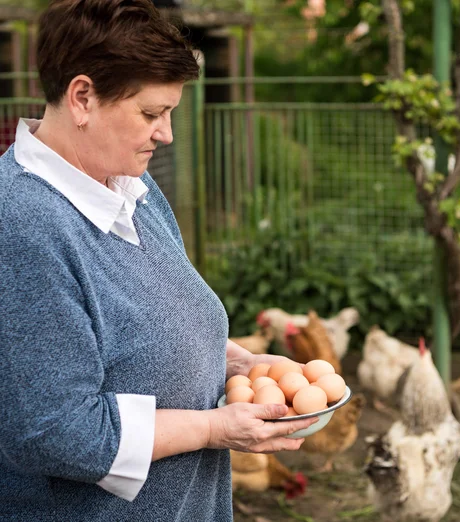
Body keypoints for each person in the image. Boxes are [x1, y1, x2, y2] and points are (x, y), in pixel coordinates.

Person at [0, 1, 317, 520]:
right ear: (83, 97)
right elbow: (53, 433)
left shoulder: (132, 186)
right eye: (151, 113)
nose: (166, 133)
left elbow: (160, 321)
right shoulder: (23, 225)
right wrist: (215, 429)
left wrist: (243, 363)